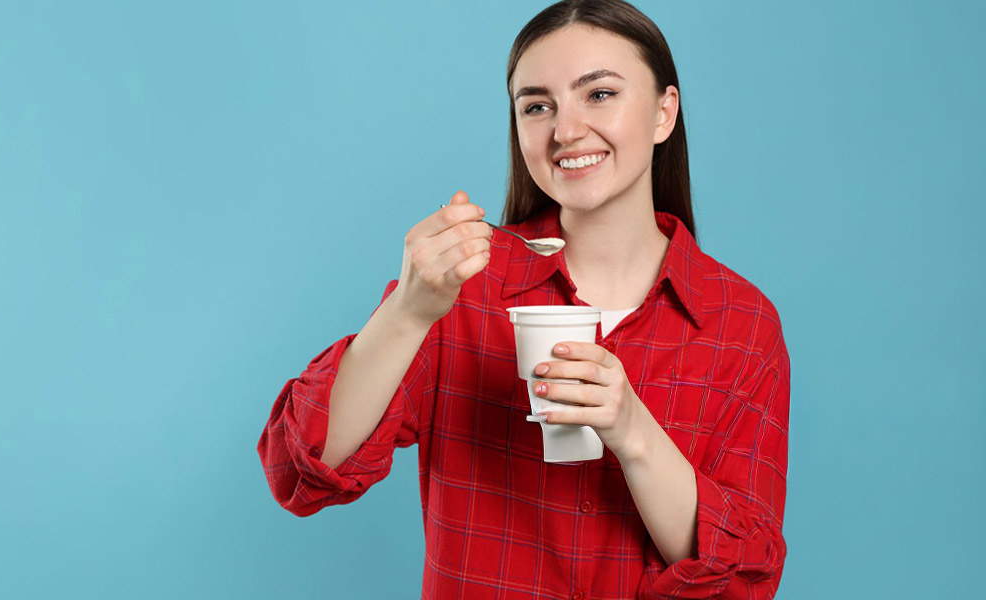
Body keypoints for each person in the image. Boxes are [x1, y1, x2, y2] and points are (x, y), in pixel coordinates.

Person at [258, 0, 790, 598]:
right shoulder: (461, 287)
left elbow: (744, 576)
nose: (565, 131)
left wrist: (633, 432)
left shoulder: (740, 323)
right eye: (538, 106)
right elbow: (298, 469)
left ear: (665, 112)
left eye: (600, 94)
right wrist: (407, 311)